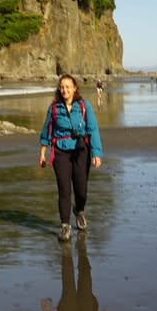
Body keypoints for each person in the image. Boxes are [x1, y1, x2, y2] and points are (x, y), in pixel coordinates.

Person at [38, 74, 103, 241]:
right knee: (64, 190)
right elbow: (46, 130)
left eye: (68, 86)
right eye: (62, 87)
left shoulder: (83, 105)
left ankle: (79, 210)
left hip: (81, 150)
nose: (65, 90)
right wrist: (43, 153)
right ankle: (65, 226)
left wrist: (96, 153)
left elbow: (93, 129)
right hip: (60, 152)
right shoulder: (54, 108)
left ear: (75, 88)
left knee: (81, 190)